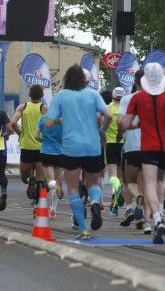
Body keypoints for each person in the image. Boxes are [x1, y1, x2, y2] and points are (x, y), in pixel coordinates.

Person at [45, 64, 112, 239]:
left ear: (67, 78)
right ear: (84, 80)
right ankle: (96, 202)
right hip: (93, 147)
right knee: (93, 183)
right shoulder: (93, 94)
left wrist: (62, 120)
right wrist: (102, 131)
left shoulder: (61, 96)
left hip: (71, 148)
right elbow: (109, 114)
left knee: (73, 187)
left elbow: (49, 122)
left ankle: (83, 228)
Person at [120, 63, 165, 244]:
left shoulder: (138, 98)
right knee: (160, 180)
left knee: (148, 183)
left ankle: (156, 219)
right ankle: (161, 213)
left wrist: (138, 123)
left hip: (148, 145)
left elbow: (126, 124)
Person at [117, 69, 150, 233]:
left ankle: (131, 206)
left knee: (129, 181)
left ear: (135, 81)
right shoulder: (154, 97)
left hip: (131, 146)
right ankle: (144, 218)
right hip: (151, 146)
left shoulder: (127, 99)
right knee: (146, 182)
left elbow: (120, 121)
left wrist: (120, 132)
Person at [11, 84, 47, 203]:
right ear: (41, 95)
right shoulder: (44, 108)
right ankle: (38, 200)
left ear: (29, 95)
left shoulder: (23, 107)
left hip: (26, 145)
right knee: (41, 177)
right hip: (41, 146)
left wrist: (20, 133)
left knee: (23, 174)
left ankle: (29, 179)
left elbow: (12, 123)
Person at [35, 111, 63, 218]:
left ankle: (53, 185)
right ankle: (53, 210)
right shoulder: (63, 120)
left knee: (50, 181)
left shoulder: (43, 119)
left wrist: (44, 141)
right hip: (60, 152)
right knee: (57, 179)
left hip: (46, 151)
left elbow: (36, 136)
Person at [105, 86, 125, 216]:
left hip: (110, 142)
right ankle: (115, 205)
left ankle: (116, 196)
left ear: (113, 96)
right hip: (124, 144)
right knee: (120, 175)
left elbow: (103, 125)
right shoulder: (126, 109)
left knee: (112, 175)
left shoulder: (108, 108)